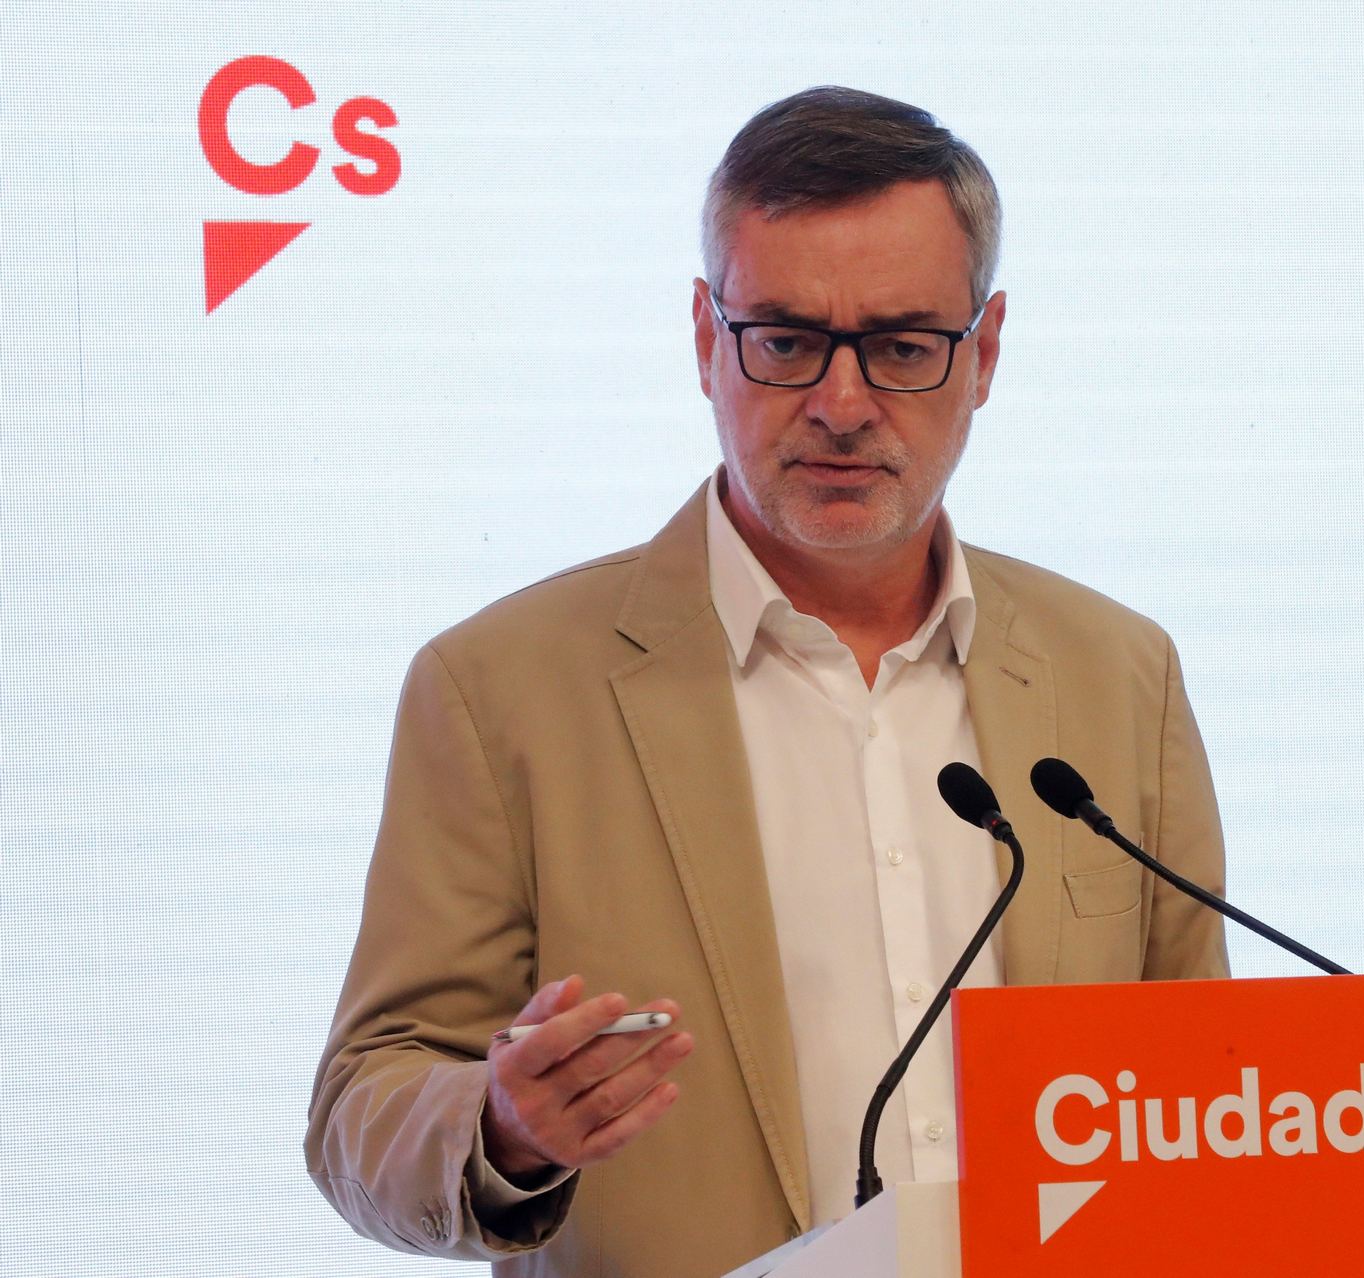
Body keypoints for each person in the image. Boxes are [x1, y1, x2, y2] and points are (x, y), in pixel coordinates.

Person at [307, 85, 1229, 1277]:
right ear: (706, 337)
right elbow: (360, 1105)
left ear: (984, 352)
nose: (841, 407)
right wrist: (502, 1129)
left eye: (902, 347)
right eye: (786, 342)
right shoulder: (499, 691)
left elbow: (1202, 1095)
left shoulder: (1121, 674)